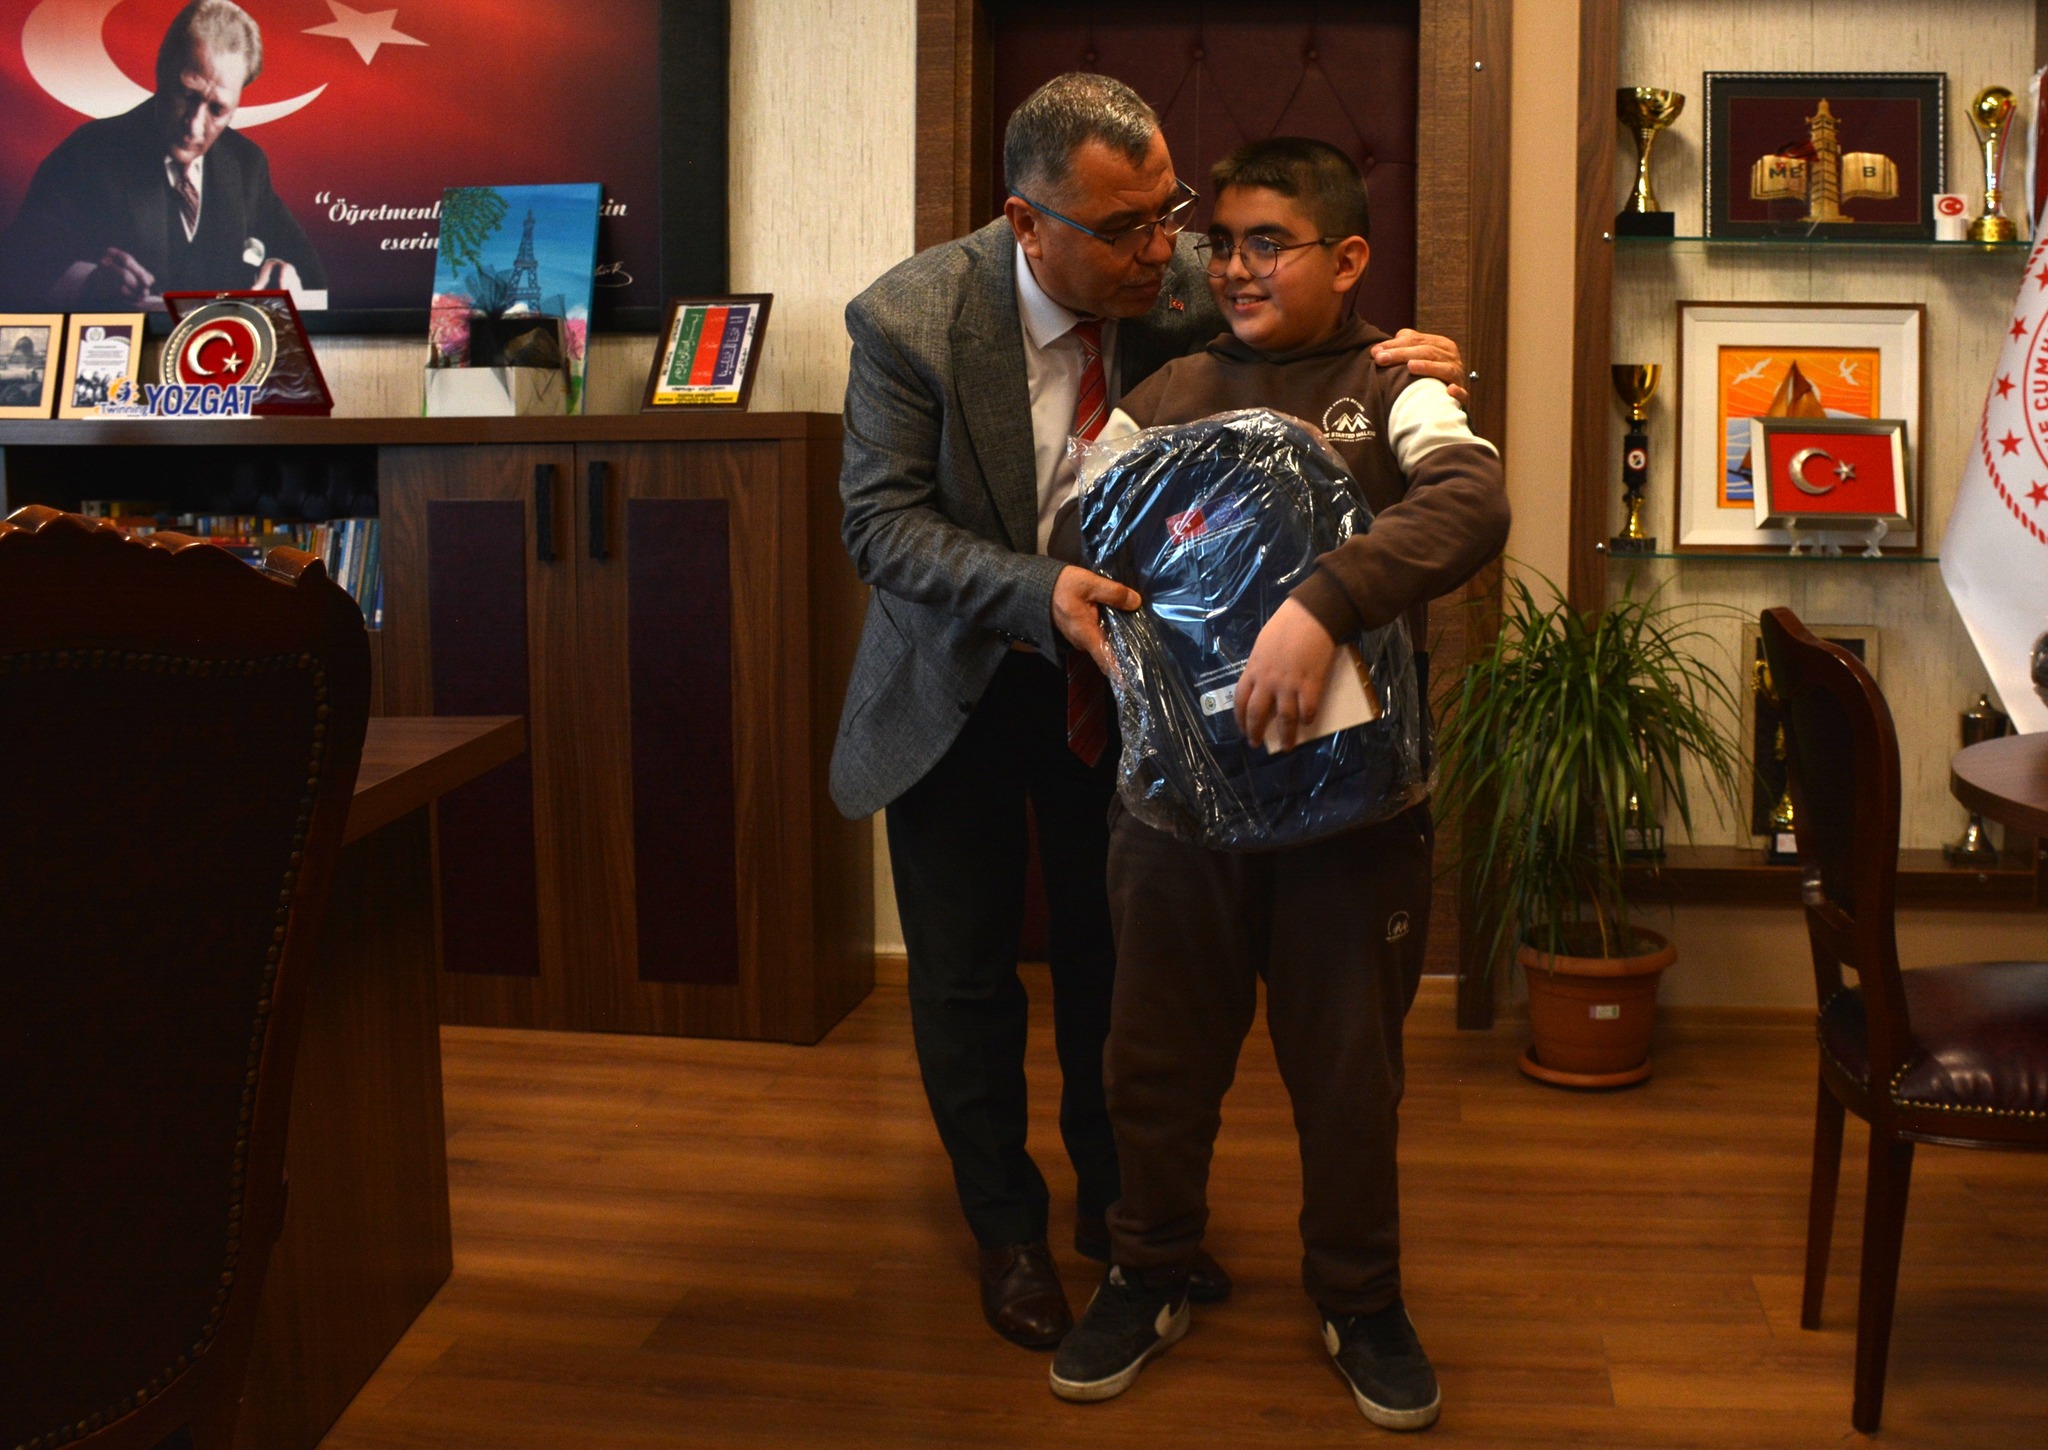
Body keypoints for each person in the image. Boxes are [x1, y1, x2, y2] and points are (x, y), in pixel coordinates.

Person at [830, 76, 1471, 1351]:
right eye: (1125, 228)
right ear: (1026, 222)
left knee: (1112, 967)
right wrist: (1039, 592)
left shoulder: (1174, 276)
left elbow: (1308, 322)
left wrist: (1428, 359)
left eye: (1167, 213)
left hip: (1123, 690)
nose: (1164, 253)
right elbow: (879, 523)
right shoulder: (908, 319)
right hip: (962, 672)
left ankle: (1121, 1222)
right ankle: (1006, 1233)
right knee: (963, 975)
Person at [1043, 138, 1508, 1429]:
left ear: (1346, 258)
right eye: (1223, 242)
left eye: (1269, 243)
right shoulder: (1172, 384)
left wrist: (1320, 600)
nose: (1235, 268)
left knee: (1349, 1076)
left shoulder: (1397, 381)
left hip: (1352, 818)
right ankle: (1147, 1269)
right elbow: (1077, 525)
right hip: (1173, 812)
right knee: (1152, 1062)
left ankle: (1360, 1295)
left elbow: (1469, 503)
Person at [0, 0, 325, 311]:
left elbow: (309, 272)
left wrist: (287, 274)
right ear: (161, 70)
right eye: (187, 94)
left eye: (217, 109)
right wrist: (91, 283)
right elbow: (16, 270)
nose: (194, 126)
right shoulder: (86, 155)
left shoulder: (246, 164)